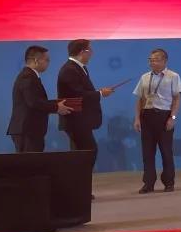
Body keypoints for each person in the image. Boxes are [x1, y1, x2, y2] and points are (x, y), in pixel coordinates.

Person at [57, 38, 115, 198]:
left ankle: (79, 190)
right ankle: (78, 190)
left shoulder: (79, 68)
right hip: (75, 120)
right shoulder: (70, 69)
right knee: (87, 153)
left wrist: (98, 93)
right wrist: (100, 94)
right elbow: (78, 94)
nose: (92, 53)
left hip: (81, 121)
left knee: (81, 154)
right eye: (90, 50)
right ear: (83, 52)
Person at [132, 49, 181, 194]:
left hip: (164, 116)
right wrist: (137, 118)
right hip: (147, 116)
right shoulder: (144, 77)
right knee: (147, 153)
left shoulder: (173, 76)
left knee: (166, 152)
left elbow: (177, 99)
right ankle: (148, 183)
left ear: (164, 61)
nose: (152, 62)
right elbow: (140, 99)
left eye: (155, 60)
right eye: (150, 60)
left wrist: (172, 118)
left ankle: (169, 182)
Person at [7, 45, 72, 152]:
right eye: (47, 60)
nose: (48, 63)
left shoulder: (30, 76)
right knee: (30, 161)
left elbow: (36, 100)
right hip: (27, 130)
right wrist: (56, 107)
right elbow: (33, 102)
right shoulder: (27, 76)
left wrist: (57, 104)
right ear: (36, 60)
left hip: (30, 130)